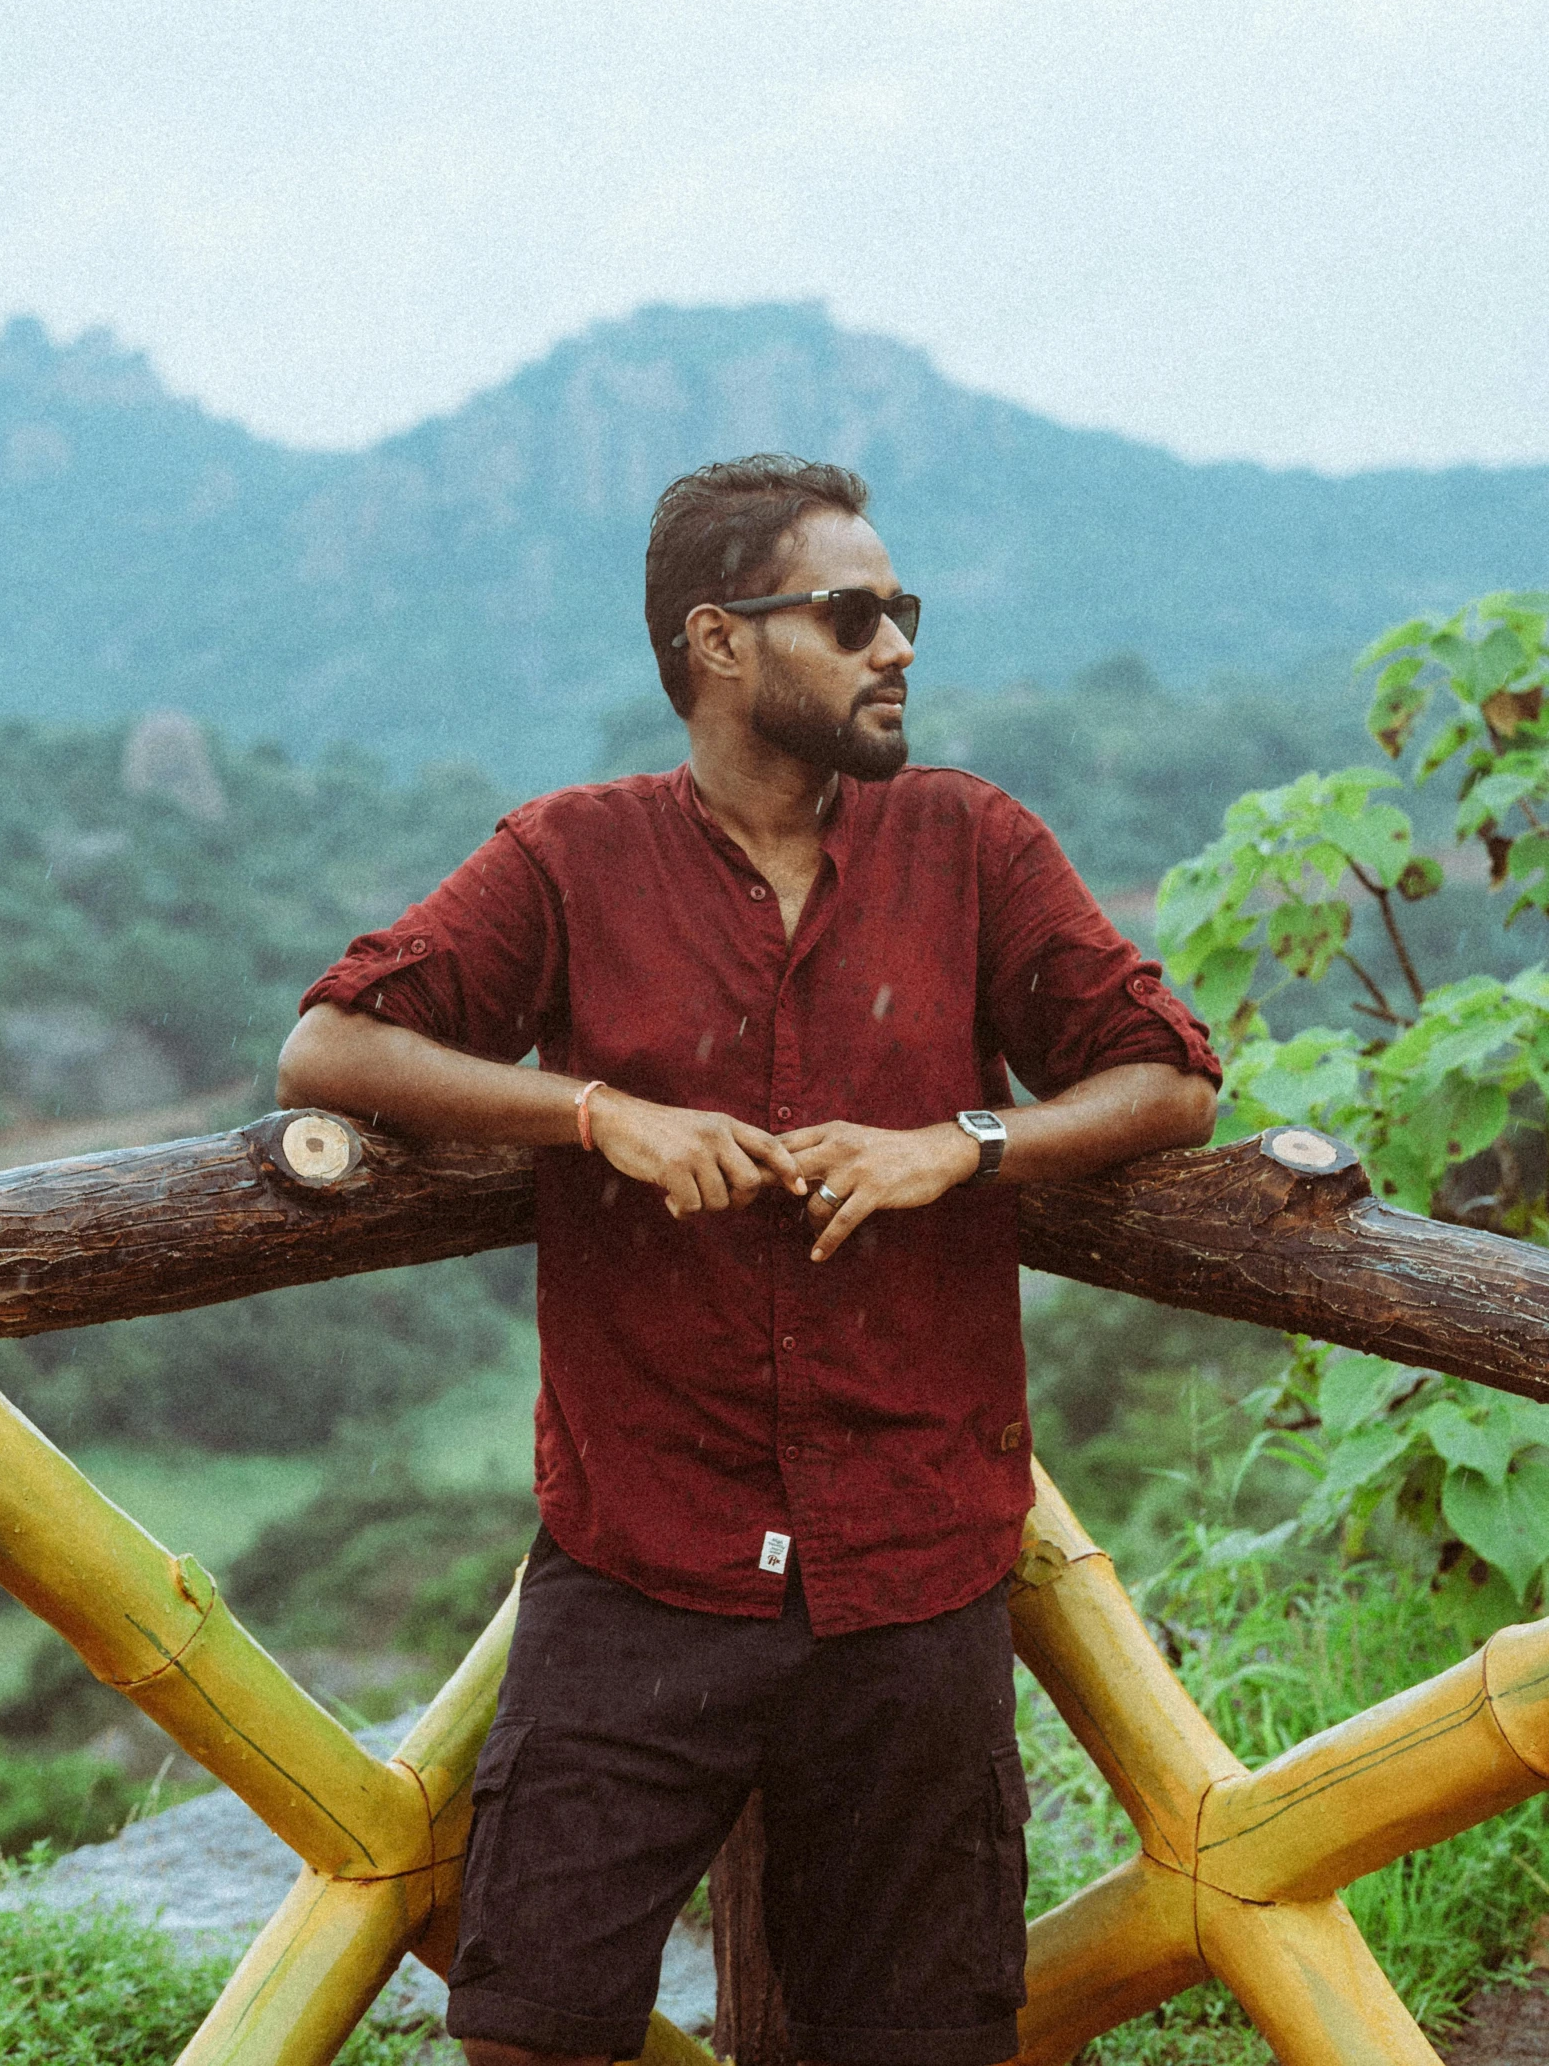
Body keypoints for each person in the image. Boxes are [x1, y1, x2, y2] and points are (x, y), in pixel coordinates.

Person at [279, 454, 1220, 2066]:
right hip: (643, 1565)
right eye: (852, 613)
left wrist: (961, 1143)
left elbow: (1173, 1077)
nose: (896, 646)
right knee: (529, 2031)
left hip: (915, 1576)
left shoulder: (969, 846)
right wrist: (597, 1115)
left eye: (900, 611)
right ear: (718, 644)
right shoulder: (573, 856)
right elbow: (331, 1044)